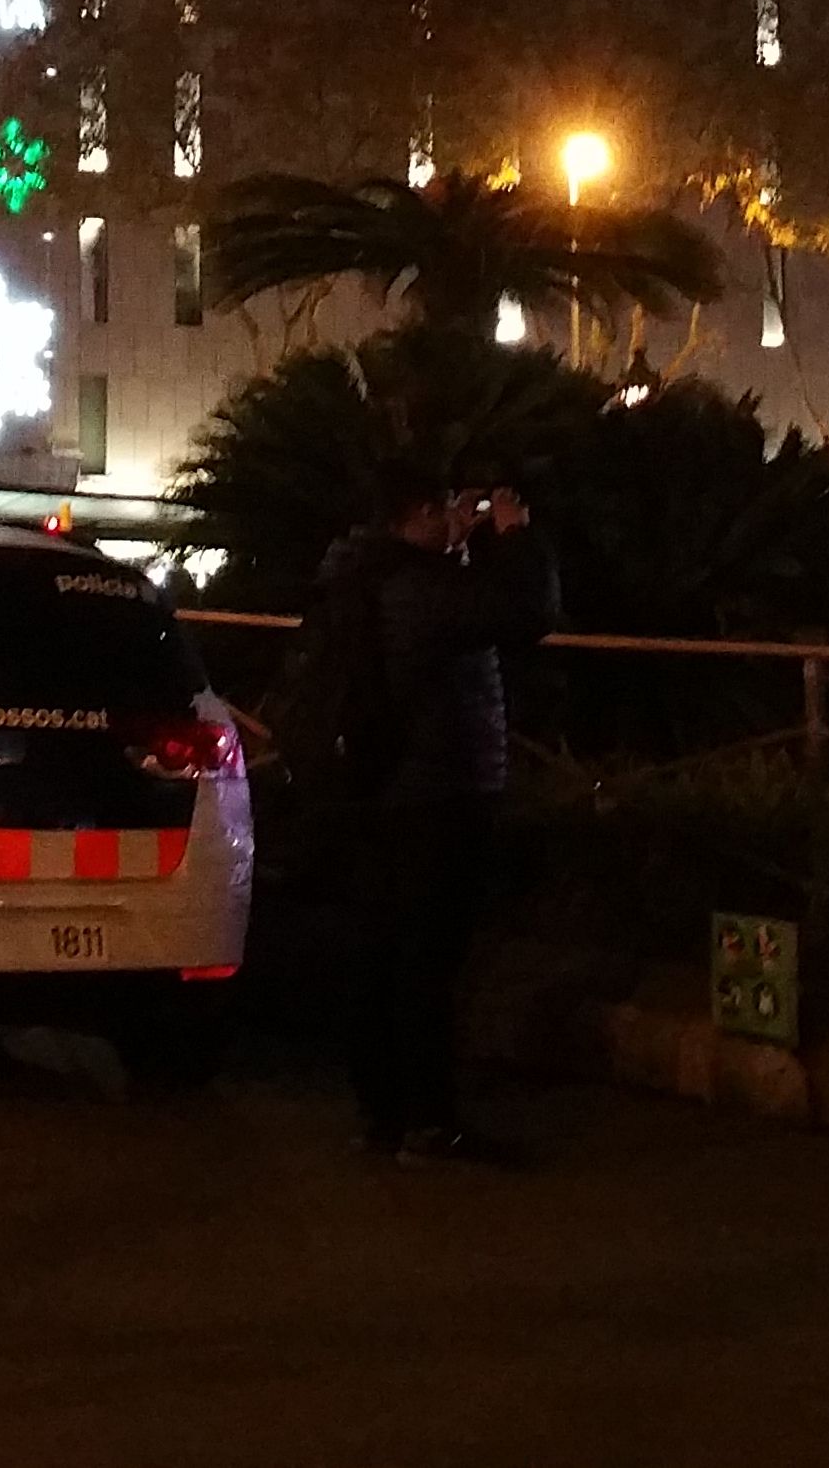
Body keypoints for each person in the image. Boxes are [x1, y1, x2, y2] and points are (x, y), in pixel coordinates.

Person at [304, 473, 556, 1164]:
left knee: (383, 957)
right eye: (451, 508)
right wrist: (515, 535)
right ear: (419, 511)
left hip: (376, 791)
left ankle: (383, 1117)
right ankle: (426, 1122)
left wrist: (468, 550)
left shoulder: (363, 575)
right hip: (434, 795)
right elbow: (525, 613)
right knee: (427, 963)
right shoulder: (417, 586)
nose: (460, 518)